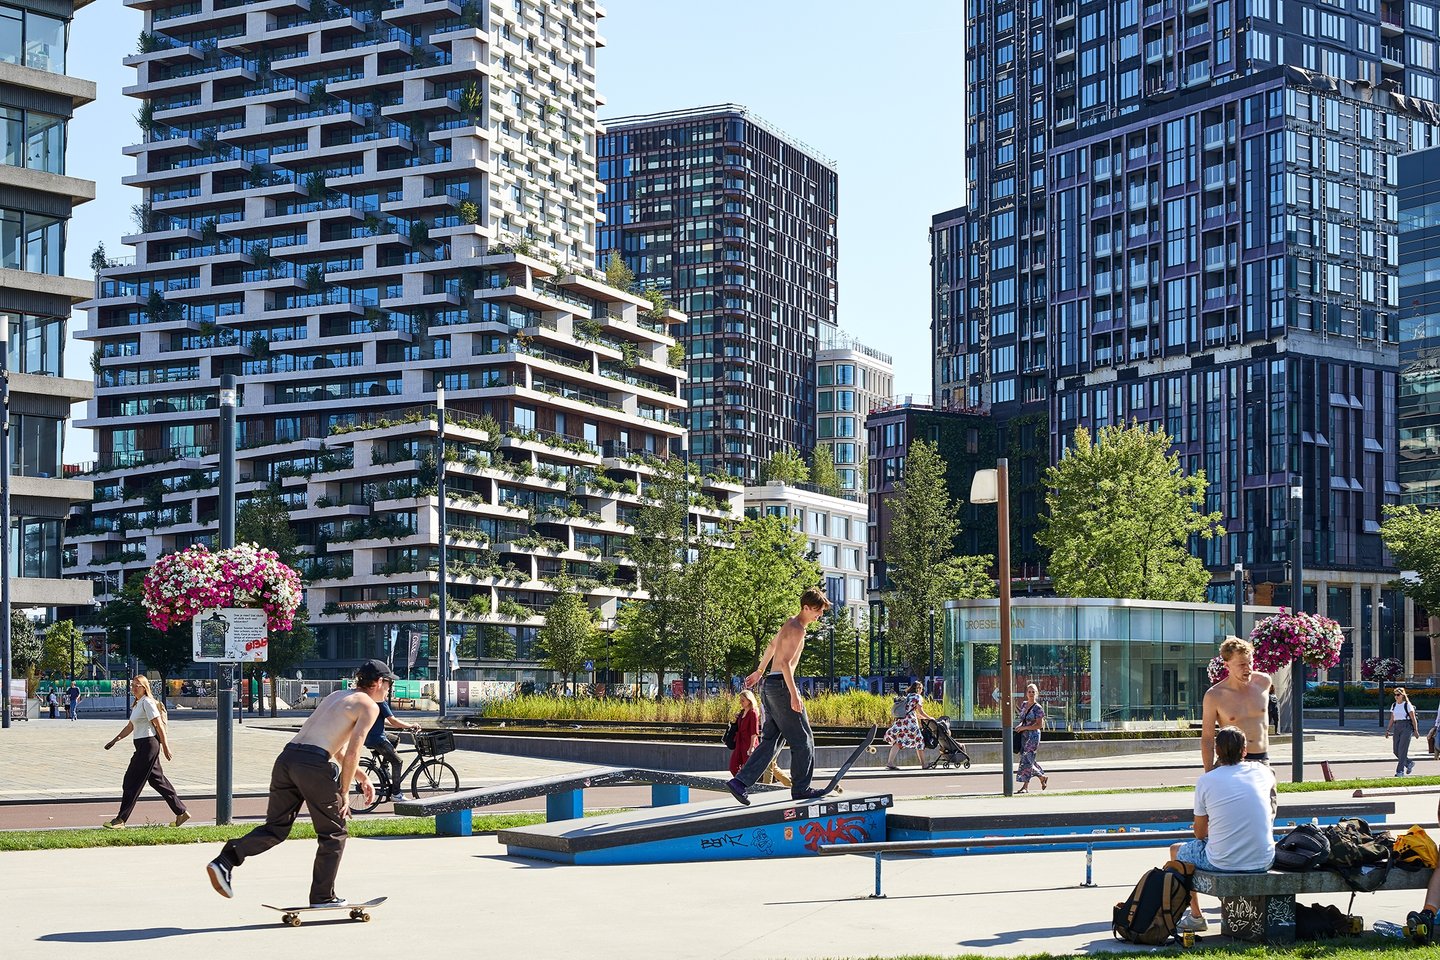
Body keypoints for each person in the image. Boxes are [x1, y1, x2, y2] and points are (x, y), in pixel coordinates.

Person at [207, 660, 387, 907]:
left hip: (288, 758)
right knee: (334, 832)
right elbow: (354, 750)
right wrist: (344, 792)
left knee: (276, 828)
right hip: (312, 765)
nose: (388, 690)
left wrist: (361, 776)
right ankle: (323, 896)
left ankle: (225, 860)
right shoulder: (369, 706)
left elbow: (334, 747)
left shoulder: (337, 696)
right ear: (378, 682)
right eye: (388, 684)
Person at [725, 587, 832, 805]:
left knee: (772, 740)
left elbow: (772, 645)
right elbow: (785, 663)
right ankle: (801, 788)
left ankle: (739, 783)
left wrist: (759, 671)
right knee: (804, 740)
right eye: (817, 611)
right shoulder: (799, 629)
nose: (819, 616)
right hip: (782, 687)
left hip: (769, 686)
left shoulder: (789, 622)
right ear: (806, 607)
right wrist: (794, 695)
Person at [1169, 725, 1277, 933]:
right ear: (1245, 750)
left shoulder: (1207, 781)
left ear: (1217, 751)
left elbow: (1200, 834)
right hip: (1264, 860)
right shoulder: (1264, 772)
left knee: (1176, 850)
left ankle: (1196, 917)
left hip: (1222, 862)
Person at [102, 676, 189, 829]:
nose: (134, 688)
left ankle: (120, 820)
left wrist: (165, 747)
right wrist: (115, 740)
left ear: (145, 687)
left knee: (131, 781)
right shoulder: (137, 704)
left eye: (138, 686)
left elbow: (159, 725)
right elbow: (130, 727)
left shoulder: (147, 702)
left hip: (148, 745)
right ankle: (181, 812)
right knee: (158, 781)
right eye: (132, 685)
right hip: (142, 746)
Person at [1201, 636, 1273, 770]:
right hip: (1229, 763)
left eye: (1250, 662)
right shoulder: (1214, 695)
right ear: (1226, 665)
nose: (1248, 669)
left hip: (1261, 760)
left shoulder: (1263, 682)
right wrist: (1209, 773)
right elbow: (1207, 739)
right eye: (1241, 665)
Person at [366, 683, 421, 802]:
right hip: (378, 739)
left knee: (395, 739)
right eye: (387, 689)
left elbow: (385, 721)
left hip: (369, 737)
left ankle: (384, 768)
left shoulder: (372, 701)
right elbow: (393, 720)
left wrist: (401, 726)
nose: (388, 691)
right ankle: (396, 794)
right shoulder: (381, 702)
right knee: (398, 762)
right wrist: (410, 725)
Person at [883, 681, 932, 770]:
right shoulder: (918, 697)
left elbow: (910, 711)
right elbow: (920, 711)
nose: (921, 690)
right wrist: (930, 718)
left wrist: (921, 717)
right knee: (919, 741)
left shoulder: (908, 696)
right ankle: (924, 764)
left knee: (898, 741)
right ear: (918, 689)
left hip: (901, 721)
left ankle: (890, 763)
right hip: (911, 723)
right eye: (921, 688)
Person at [1015, 682, 1049, 792]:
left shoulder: (1038, 708)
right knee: (1028, 760)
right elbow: (1023, 720)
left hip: (1033, 736)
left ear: (1036, 694)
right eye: (1029, 692)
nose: (1031, 694)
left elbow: (1039, 725)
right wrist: (1020, 726)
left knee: (1026, 760)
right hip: (1024, 736)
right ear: (1026, 693)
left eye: (1033, 692)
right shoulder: (1024, 705)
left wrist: (1024, 728)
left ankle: (1026, 786)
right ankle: (1042, 777)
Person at [1388, 686, 1420, 776]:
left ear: (1402, 695)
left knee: (1402, 750)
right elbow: (1392, 718)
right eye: (1395, 695)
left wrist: (1415, 730)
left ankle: (1400, 771)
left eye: (1398, 695)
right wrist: (1388, 729)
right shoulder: (1394, 705)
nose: (1396, 696)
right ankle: (1409, 763)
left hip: (1406, 727)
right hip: (1397, 727)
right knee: (1396, 750)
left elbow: (1413, 719)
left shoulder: (1407, 705)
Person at [728, 690, 761, 778]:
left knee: (748, 768)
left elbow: (754, 732)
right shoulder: (742, 713)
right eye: (740, 700)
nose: (741, 702)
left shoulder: (753, 713)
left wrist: (752, 747)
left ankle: (745, 784)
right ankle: (740, 782)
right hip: (739, 743)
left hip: (748, 743)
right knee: (733, 766)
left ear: (749, 700)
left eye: (743, 700)